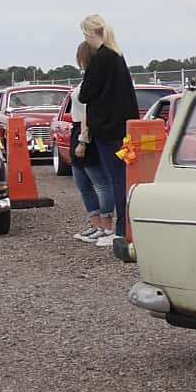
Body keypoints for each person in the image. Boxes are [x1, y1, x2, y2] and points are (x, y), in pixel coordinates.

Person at [77, 14, 138, 248]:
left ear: (90, 34)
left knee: (117, 180)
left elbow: (85, 94)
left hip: (107, 130)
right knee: (124, 178)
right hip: (123, 128)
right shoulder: (117, 56)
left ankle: (120, 230)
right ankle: (125, 227)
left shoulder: (102, 59)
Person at [67, 40, 112, 243]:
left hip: (86, 131)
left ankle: (107, 225)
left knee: (100, 182)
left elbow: (88, 111)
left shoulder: (93, 81)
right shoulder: (87, 78)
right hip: (77, 127)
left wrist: (82, 140)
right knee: (82, 182)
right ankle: (96, 223)